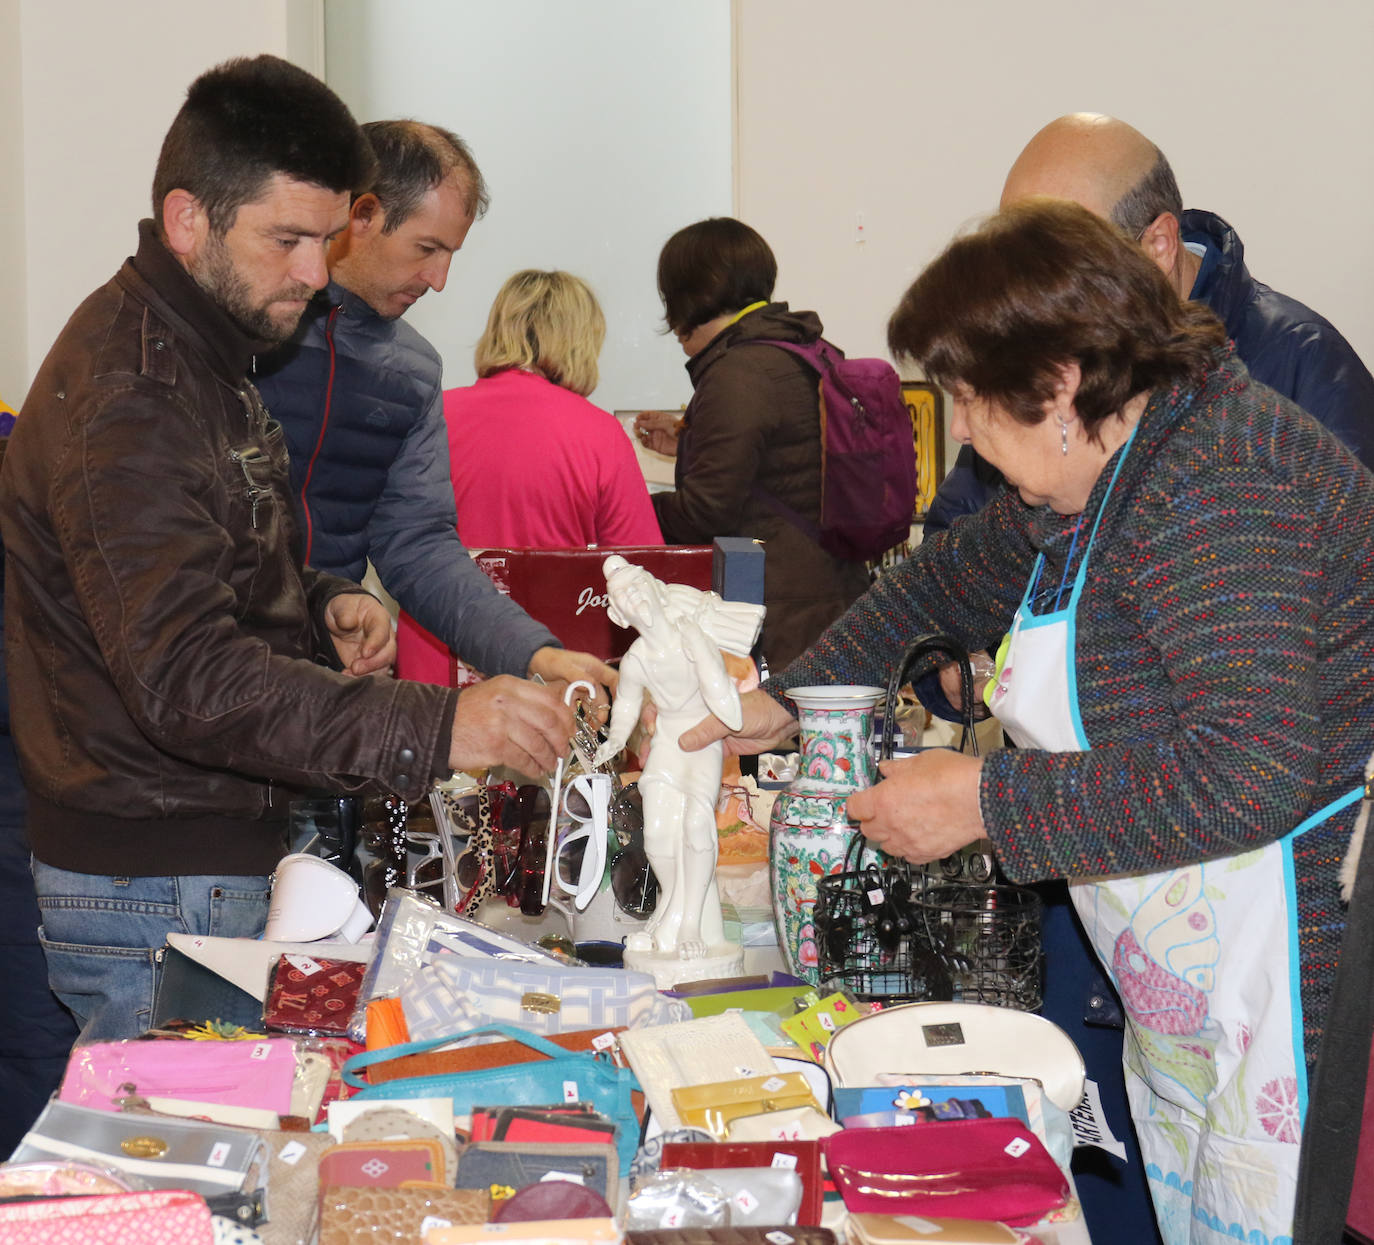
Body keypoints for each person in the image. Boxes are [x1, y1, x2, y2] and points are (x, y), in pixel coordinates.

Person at [685, 200, 1374, 1243]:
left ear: (1056, 386)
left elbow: (1247, 773)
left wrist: (988, 802)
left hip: (1291, 980)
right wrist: (784, 701)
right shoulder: (1100, 474)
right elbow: (938, 589)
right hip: (1198, 969)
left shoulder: (1223, 483)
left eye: (966, 401)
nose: (959, 429)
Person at [0, 56, 575, 1044]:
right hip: (156, 870)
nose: (315, 274)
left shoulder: (210, 361)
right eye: (289, 240)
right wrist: (441, 729)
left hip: (199, 847)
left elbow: (204, 570)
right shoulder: (133, 395)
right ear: (190, 221)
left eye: (326, 239)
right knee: (186, 1180)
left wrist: (315, 607)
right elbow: (187, 677)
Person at [254, 122, 611, 695]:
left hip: (329, 676)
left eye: (451, 255)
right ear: (361, 216)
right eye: (426, 249)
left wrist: (537, 654)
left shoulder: (412, 372)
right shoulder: (247, 330)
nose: (440, 280)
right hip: (214, 665)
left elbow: (418, 546)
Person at [926, 112, 1374, 534]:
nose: (1026, 294)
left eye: (1055, 267)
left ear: (1158, 244)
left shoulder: (1308, 370)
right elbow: (953, 555)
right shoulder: (1033, 357)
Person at [395, 269, 662, 685]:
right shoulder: (599, 435)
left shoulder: (433, 415)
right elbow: (642, 572)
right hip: (549, 668)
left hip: (435, 663)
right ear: (581, 341)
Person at [639, 217, 870, 674]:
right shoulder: (807, 351)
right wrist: (689, 441)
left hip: (781, 617)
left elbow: (706, 513)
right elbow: (786, 464)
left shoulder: (738, 372)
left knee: (771, 744)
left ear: (688, 295)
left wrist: (630, 508)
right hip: (834, 594)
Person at [591, 556, 763, 958]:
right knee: (657, 835)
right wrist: (615, 740)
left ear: (654, 588)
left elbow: (725, 702)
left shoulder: (693, 636)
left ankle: (686, 922)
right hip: (668, 745)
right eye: (625, 599)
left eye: (637, 589)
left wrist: (701, 652)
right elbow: (628, 707)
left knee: (697, 824)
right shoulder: (635, 660)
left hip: (700, 744)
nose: (636, 600)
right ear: (619, 615)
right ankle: (672, 906)